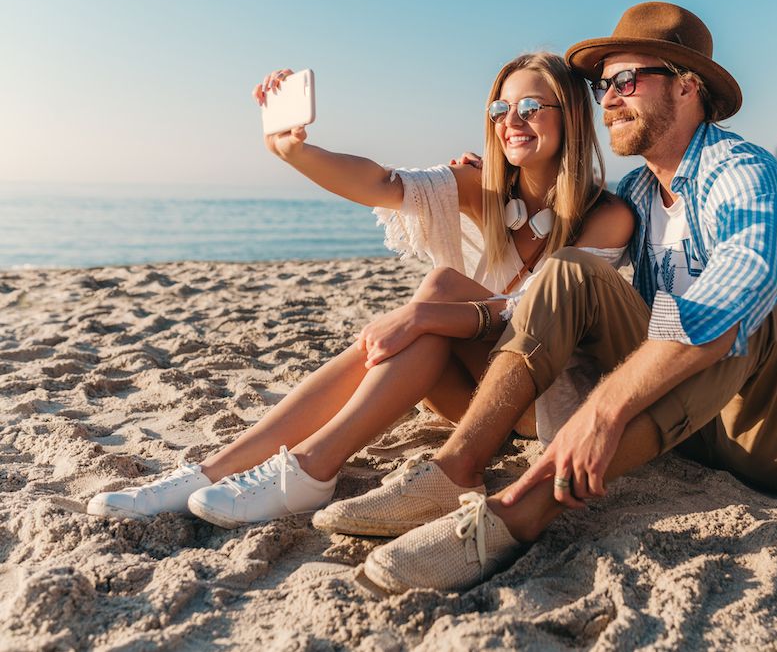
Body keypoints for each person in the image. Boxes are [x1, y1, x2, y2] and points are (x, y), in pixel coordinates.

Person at [348, 2, 777, 594]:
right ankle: (455, 469)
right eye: (602, 84)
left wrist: (602, 413)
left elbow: (736, 296)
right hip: (689, 426)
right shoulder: (635, 193)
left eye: (626, 80)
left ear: (687, 87)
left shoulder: (743, 174)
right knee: (569, 272)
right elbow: (556, 239)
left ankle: (513, 516)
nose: (607, 99)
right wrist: (493, 177)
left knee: (740, 316)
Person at [86, 52, 634, 529]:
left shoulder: (604, 216)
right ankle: (220, 469)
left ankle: (310, 468)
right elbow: (382, 182)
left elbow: (534, 312)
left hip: (541, 402)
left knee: (438, 293)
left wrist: (423, 316)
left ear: (571, 117)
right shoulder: (486, 189)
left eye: (531, 108)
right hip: (473, 393)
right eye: (500, 109)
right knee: (435, 301)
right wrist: (293, 151)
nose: (511, 121)